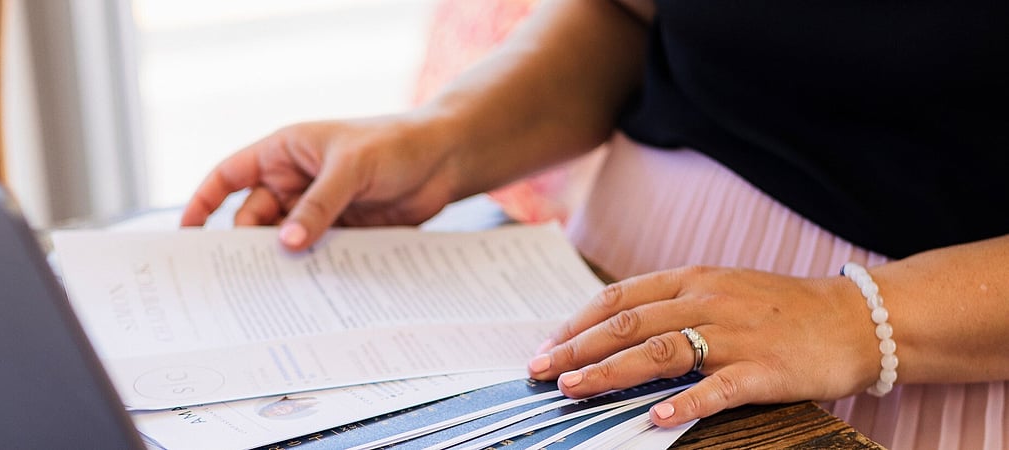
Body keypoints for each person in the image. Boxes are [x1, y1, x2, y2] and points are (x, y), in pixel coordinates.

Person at [181, 0, 1009, 447]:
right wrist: (443, 139)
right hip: (592, 297)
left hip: (911, 377)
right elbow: (631, 14)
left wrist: (859, 319)